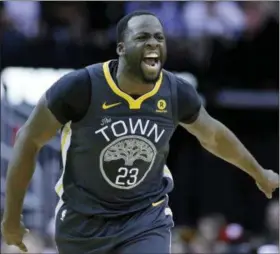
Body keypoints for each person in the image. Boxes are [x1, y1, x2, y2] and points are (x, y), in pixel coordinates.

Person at [1, 11, 278, 254]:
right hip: (83, 221)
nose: (153, 44)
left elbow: (214, 136)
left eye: (159, 37)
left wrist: (258, 172)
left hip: (144, 217)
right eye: (143, 37)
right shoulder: (80, 87)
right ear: (121, 48)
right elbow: (29, 139)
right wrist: (12, 217)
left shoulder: (175, 91)